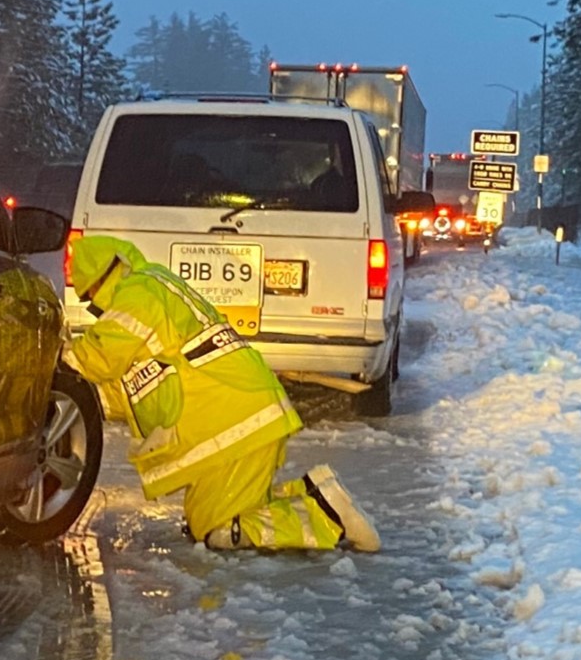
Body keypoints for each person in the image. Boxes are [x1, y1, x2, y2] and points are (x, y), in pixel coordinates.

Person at [64, 235, 380, 551]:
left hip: (236, 425)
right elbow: (136, 388)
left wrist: (59, 358)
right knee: (212, 519)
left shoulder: (137, 294)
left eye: (89, 293)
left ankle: (326, 516)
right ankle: (320, 496)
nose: (93, 304)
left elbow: (99, 356)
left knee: (219, 531)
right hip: (239, 419)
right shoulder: (153, 289)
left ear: (104, 276)